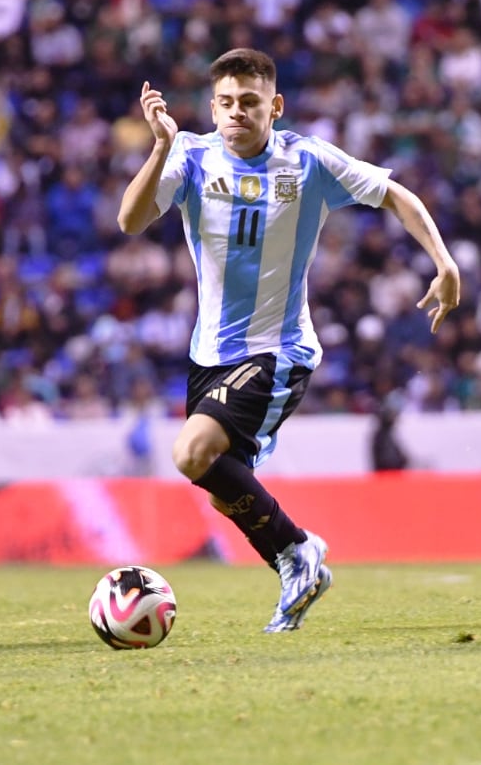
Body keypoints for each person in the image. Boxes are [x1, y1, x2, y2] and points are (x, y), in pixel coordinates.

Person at [117, 48, 461, 633]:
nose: (236, 113)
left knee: (191, 453)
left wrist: (444, 262)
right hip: (207, 356)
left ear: (274, 106)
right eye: (225, 103)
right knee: (222, 481)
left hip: (277, 351)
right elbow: (129, 221)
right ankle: (294, 562)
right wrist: (158, 145)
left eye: (249, 102)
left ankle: (299, 552)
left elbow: (397, 195)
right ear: (212, 106)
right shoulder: (191, 155)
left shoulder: (307, 162)